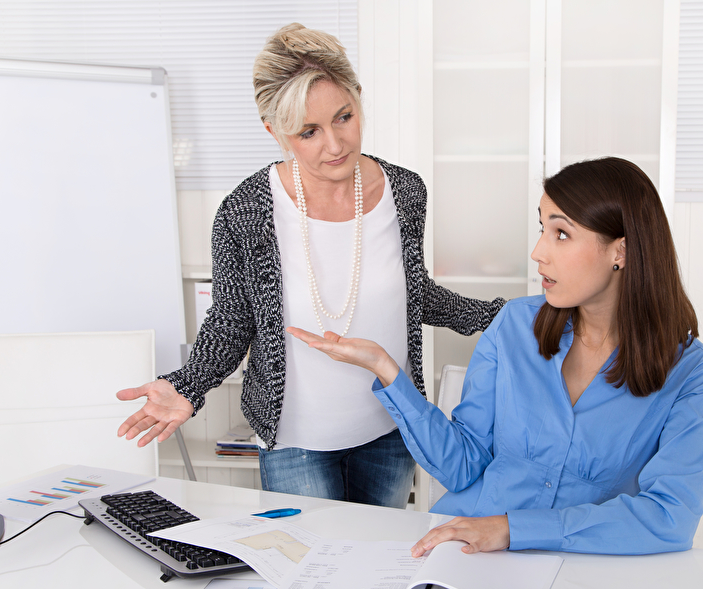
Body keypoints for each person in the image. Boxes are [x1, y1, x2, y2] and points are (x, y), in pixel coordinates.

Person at [116, 23, 504, 509]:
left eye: (344, 117)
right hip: (296, 442)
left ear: (359, 100)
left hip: (391, 427)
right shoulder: (246, 211)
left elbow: (412, 292)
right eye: (309, 131)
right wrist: (190, 384)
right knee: (310, 571)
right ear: (274, 131)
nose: (335, 144)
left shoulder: (405, 191)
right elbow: (234, 320)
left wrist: (501, 316)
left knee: (377, 568)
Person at [288, 156, 703, 556]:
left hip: (576, 569)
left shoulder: (691, 372)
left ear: (620, 252)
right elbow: (462, 466)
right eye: (542, 228)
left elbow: (670, 517)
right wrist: (385, 368)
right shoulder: (514, 326)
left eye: (561, 233)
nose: (538, 252)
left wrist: (513, 529)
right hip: (463, 550)